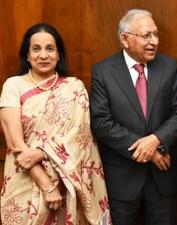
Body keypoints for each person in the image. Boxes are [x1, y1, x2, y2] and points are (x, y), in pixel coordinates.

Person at [0, 23, 111, 225]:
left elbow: (81, 136)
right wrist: (46, 185)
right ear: (27, 55)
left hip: (67, 183)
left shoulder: (74, 87)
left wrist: (42, 152)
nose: (43, 55)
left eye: (50, 49)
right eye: (36, 49)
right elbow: (17, 145)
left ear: (59, 55)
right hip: (25, 179)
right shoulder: (13, 86)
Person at [90, 9, 177, 225]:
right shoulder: (103, 71)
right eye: (146, 36)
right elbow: (101, 122)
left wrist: (156, 141)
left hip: (163, 177)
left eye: (156, 34)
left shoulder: (169, 66)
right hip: (122, 178)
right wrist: (149, 152)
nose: (154, 41)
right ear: (125, 39)